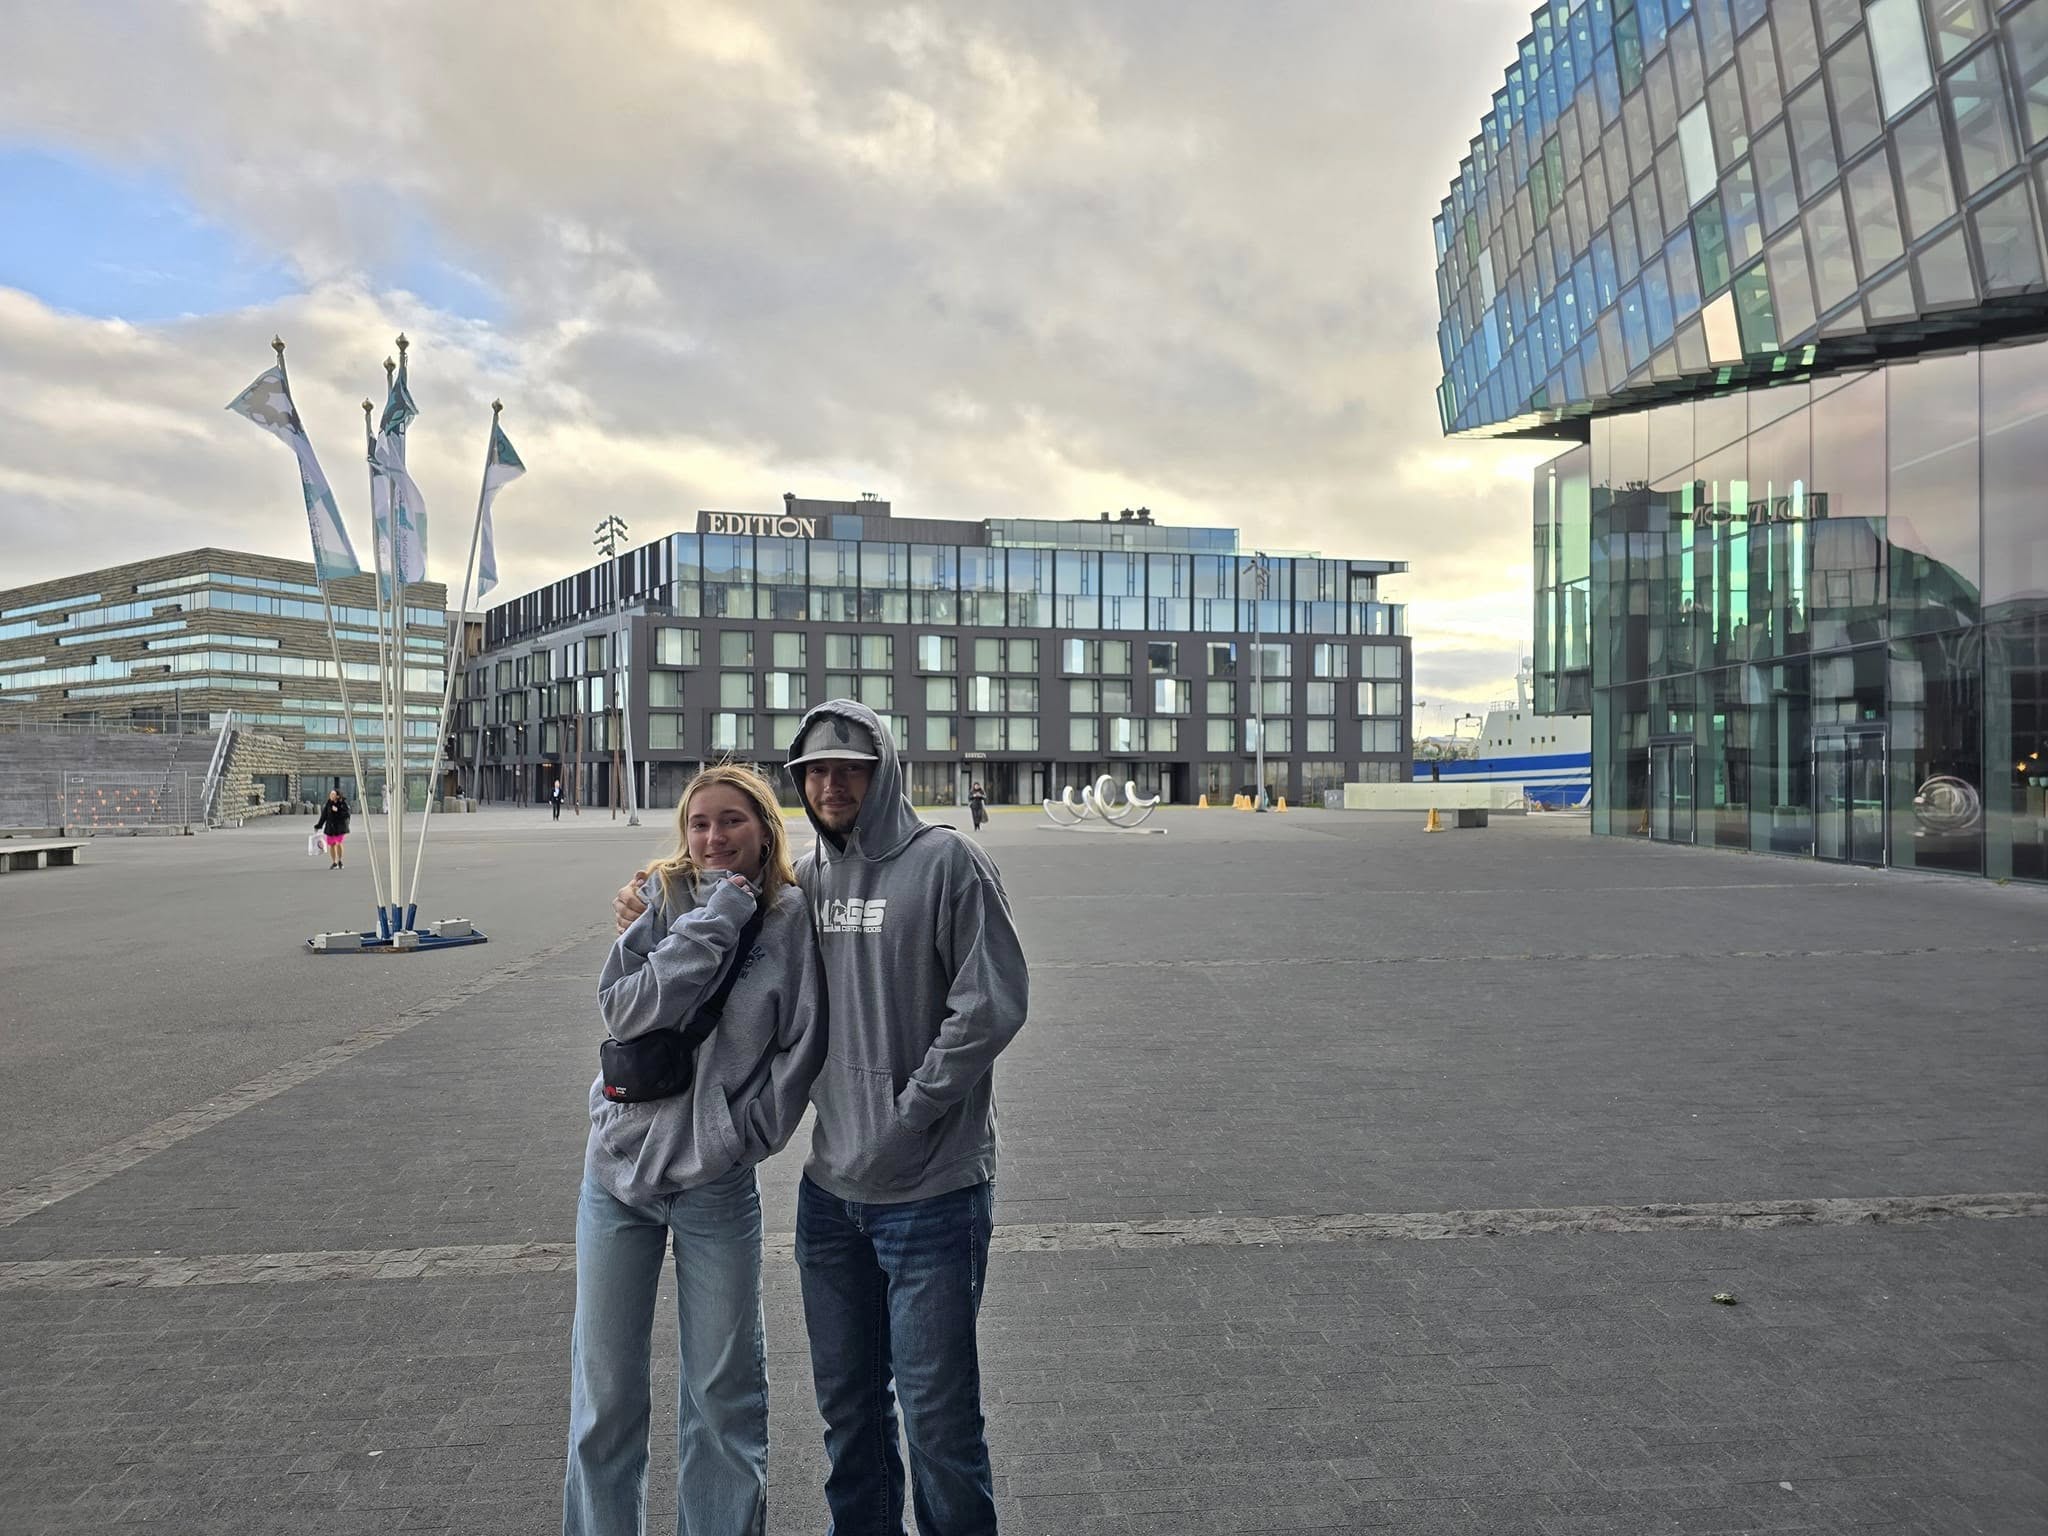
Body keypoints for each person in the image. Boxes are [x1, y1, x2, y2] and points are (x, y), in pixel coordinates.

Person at [613, 703, 1029, 1535]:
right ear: (798, 784)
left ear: (884, 772)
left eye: (850, 767)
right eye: (814, 770)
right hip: (831, 1203)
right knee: (852, 1427)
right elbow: (717, 881)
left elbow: (990, 1007)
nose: (831, 784)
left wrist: (911, 1111)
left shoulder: (948, 862)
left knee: (941, 1428)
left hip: (932, 1196)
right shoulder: (808, 883)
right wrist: (642, 898)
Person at [565, 764, 826, 1536]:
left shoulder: (790, 922)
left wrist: (740, 1136)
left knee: (723, 1397)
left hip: (715, 1183)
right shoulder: (660, 898)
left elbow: (801, 1047)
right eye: (700, 823)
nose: (715, 837)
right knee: (605, 1395)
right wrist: (712, 917)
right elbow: (626, 1010)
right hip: (616, 1176)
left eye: (733, 821)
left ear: (765, 828)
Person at [313, 789, 350, 870]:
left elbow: (347, 814)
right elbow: (324, 816)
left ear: (337, 796)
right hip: (330, 827)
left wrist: (338, 810)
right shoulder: (328, 804)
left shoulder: (342, 803)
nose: (331, 796)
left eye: (333, 794)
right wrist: (318, 826)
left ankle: (340, 860)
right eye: (330, 794)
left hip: (340, 827)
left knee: (338, 843)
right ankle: (334, 862)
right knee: (332, 844)